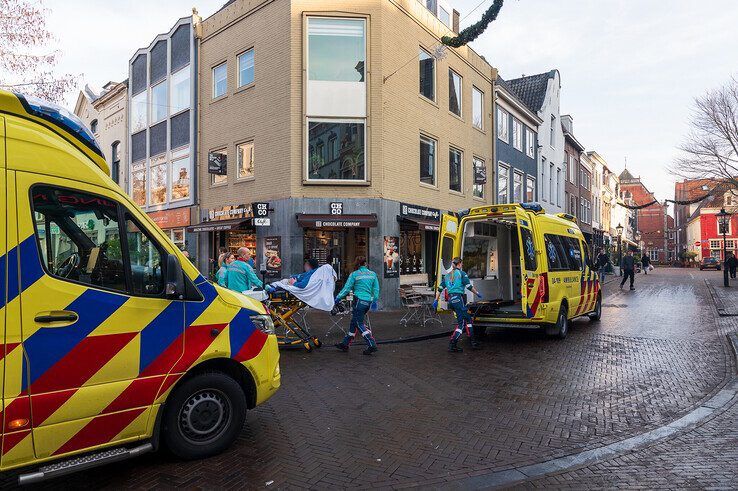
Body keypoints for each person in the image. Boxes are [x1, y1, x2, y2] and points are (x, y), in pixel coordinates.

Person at [433, 257, 482, 352]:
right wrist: (477, 293)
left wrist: (436, 300)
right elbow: (469, 286)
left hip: (451, 301)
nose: (462, 265)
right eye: (461, 263)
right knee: (462, 323)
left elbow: (439, 288)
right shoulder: (461, 274)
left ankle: (473, 342)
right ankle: (453, 344)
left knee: (467, 320)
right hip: (458, 299)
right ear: (459, 264)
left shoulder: (447, 276)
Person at [334, 257, 380, 355]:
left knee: (359, 324)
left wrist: (338, 298)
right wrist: (374, 301)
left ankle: (372, 344)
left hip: (359, 301)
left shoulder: (354, 274)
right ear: (365, 264)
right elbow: (376, 289)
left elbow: (346, 289)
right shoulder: (373, 274)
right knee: (353, 322)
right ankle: (345, 344)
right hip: (368, 302)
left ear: (357, 264)